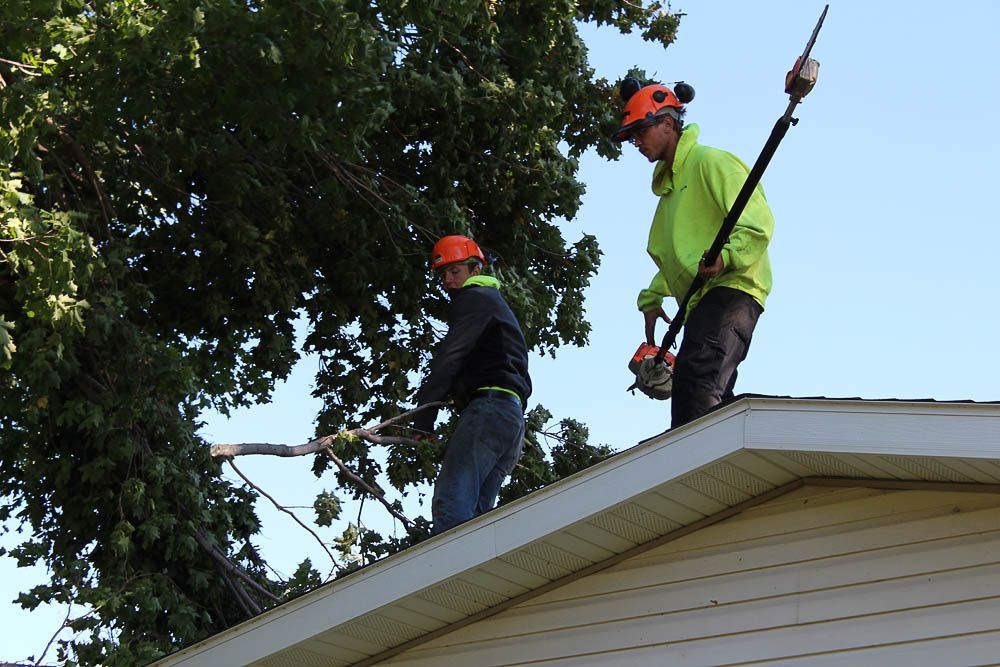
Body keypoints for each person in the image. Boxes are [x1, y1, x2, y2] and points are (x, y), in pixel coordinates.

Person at [613, 80, 774, 428]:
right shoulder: (669, 198)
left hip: (734, 289)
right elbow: (677, 258)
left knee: (696, 383)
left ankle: (700, 474)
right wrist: (653, 297)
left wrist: (726, 257)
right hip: (706, 299)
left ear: (669, 123)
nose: (637, 142)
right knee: (711, 396)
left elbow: (757, 224)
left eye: (641, 130)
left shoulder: (711, 162)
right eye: (632, 137)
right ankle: (727, 466)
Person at [412, 235, 532, 533]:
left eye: (455, 271)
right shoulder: (494, 303)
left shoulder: (475, 298)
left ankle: (448, 576)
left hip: (490, 410)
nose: (448, 280)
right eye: (443, 275)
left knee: (451, 506)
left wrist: (422, 421)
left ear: (475, 269)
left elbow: (450, 357)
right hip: (511, 420)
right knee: (476, 523)